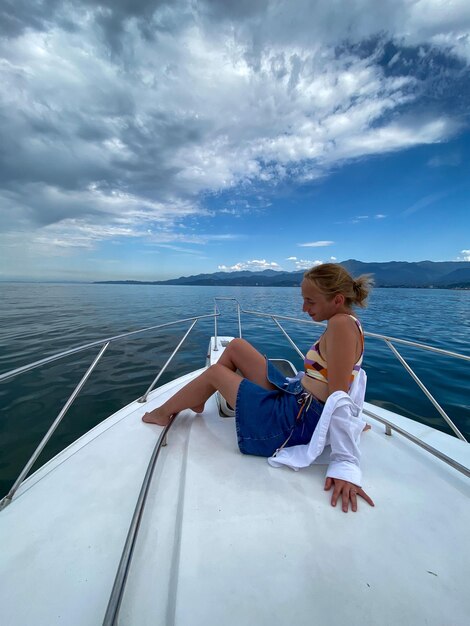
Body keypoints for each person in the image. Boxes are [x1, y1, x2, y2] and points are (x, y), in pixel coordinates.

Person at [143, 263, 374, 512]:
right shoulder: (345, 322)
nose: (304, 308)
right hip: (296, 397)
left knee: (215, 373)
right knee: (236, 346)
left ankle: (163, 412)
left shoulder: (341, 325)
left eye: (310, 301)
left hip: (294, 421)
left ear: (337, 300)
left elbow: (339, 398)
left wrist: (345, 464)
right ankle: (202, 396)